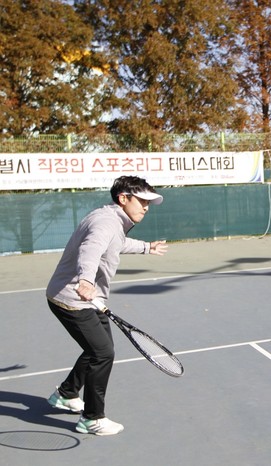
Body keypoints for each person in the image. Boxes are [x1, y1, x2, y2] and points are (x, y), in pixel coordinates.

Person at [46, 175, 168, 435]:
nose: (146, 207)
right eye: (142, 201)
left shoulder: (113, 219)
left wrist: (147, 247)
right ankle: (91, 419)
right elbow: (89, 250)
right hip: (73, 300)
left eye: (148, 203)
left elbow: (117, 243)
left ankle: (66, 394)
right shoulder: (105, 222)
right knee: (102, 354)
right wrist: (85, 280)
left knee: (99, 349)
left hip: (89, 299)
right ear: (123, 198)